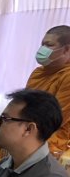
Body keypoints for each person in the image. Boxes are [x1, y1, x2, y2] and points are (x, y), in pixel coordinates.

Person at [26, 25, 70, 154]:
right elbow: (24, 105)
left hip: (53, 138)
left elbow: (56, 118)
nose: (42, 49)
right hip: (27, 129)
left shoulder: (67, 76)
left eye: (49, 45)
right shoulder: (38, 73)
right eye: (42, 44)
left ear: (66, 49)